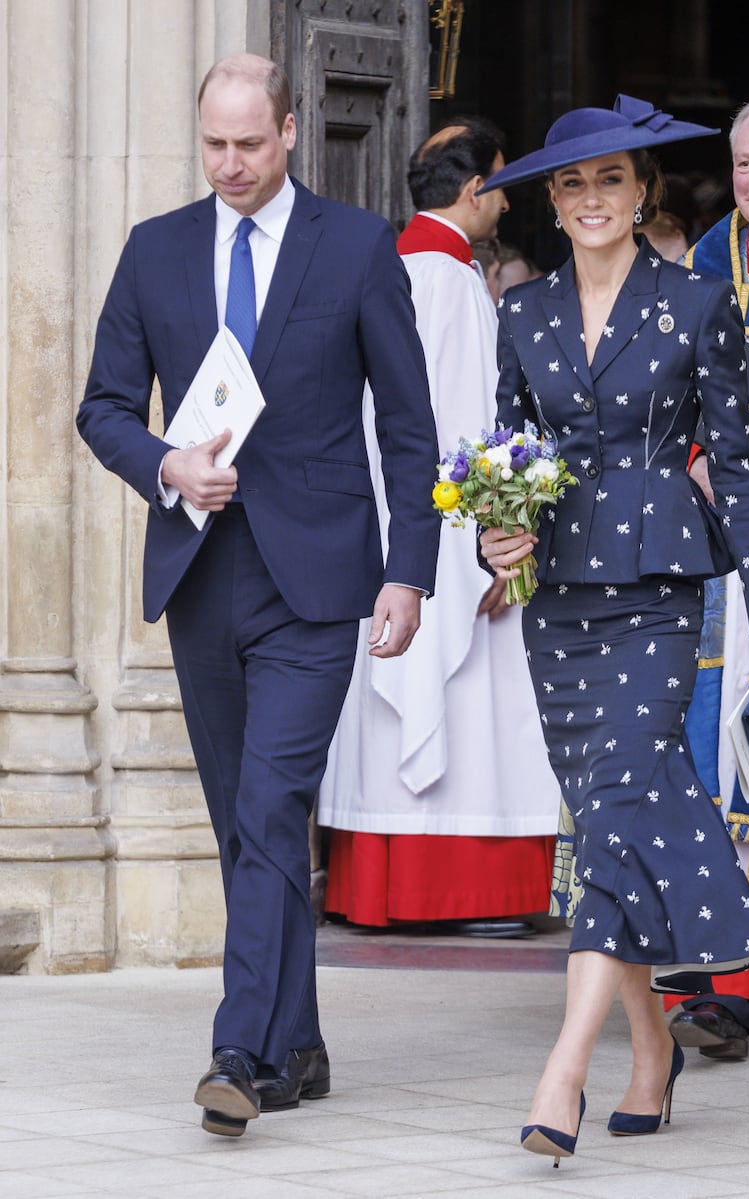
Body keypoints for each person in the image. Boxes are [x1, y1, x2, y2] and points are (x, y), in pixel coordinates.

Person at [76, 53, 440, 1138]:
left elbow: (409, 425)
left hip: (320, 577)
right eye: (212, 145)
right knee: (247, 821)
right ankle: (300, 1035)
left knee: (272, 805)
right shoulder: (155, 250)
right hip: (201, 570)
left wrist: (408, 567)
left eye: (248, 143)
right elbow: (102, 407)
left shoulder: (361, 246)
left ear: (289, 131)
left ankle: (240, 1046)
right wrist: (165, 464)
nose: (228, 164)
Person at [474, 93, 749, 1166]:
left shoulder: (697, 301)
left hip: (659, 588)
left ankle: (562, 1070)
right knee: (608, 821)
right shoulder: (518, 315)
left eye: (609, 179)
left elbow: (740, 471)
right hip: (558, 599)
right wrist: (492, 536)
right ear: (553, 204)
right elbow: (504, 455)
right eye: (570, 184)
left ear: (639, 190)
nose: (590, 199)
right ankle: (651, 1050)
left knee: (615, 807)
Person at [319, 121, 561, 931]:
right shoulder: (446, 281)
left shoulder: (393, 266)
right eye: (501, 184)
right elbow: (459, 433)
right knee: (463, 700)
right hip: (445, 532)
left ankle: (385, 885)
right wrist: (487, 545)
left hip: (384, 524)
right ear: (474, 191)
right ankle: (461, 889)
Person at [669, 93, 749, 1061]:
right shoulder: (707, 262)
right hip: (733, 551)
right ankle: (725, 978)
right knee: (725, 752)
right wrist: (702, 462)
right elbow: (669, 394)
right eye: (747, 162)